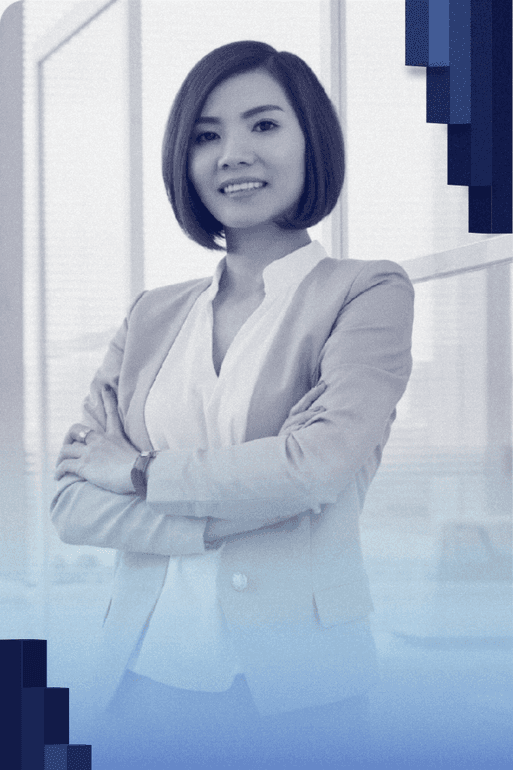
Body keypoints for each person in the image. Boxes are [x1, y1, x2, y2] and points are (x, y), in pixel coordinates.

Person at [52, 40, 414, 768]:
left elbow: (316, 468)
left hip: (301, 690)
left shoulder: (366, 291)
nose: (233, 154)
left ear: (311, 140)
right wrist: (230, 512)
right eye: (206, 136)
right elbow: (67, 501)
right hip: (140, 679)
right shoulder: (151, 314)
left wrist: (138, 472)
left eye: (263, 125)